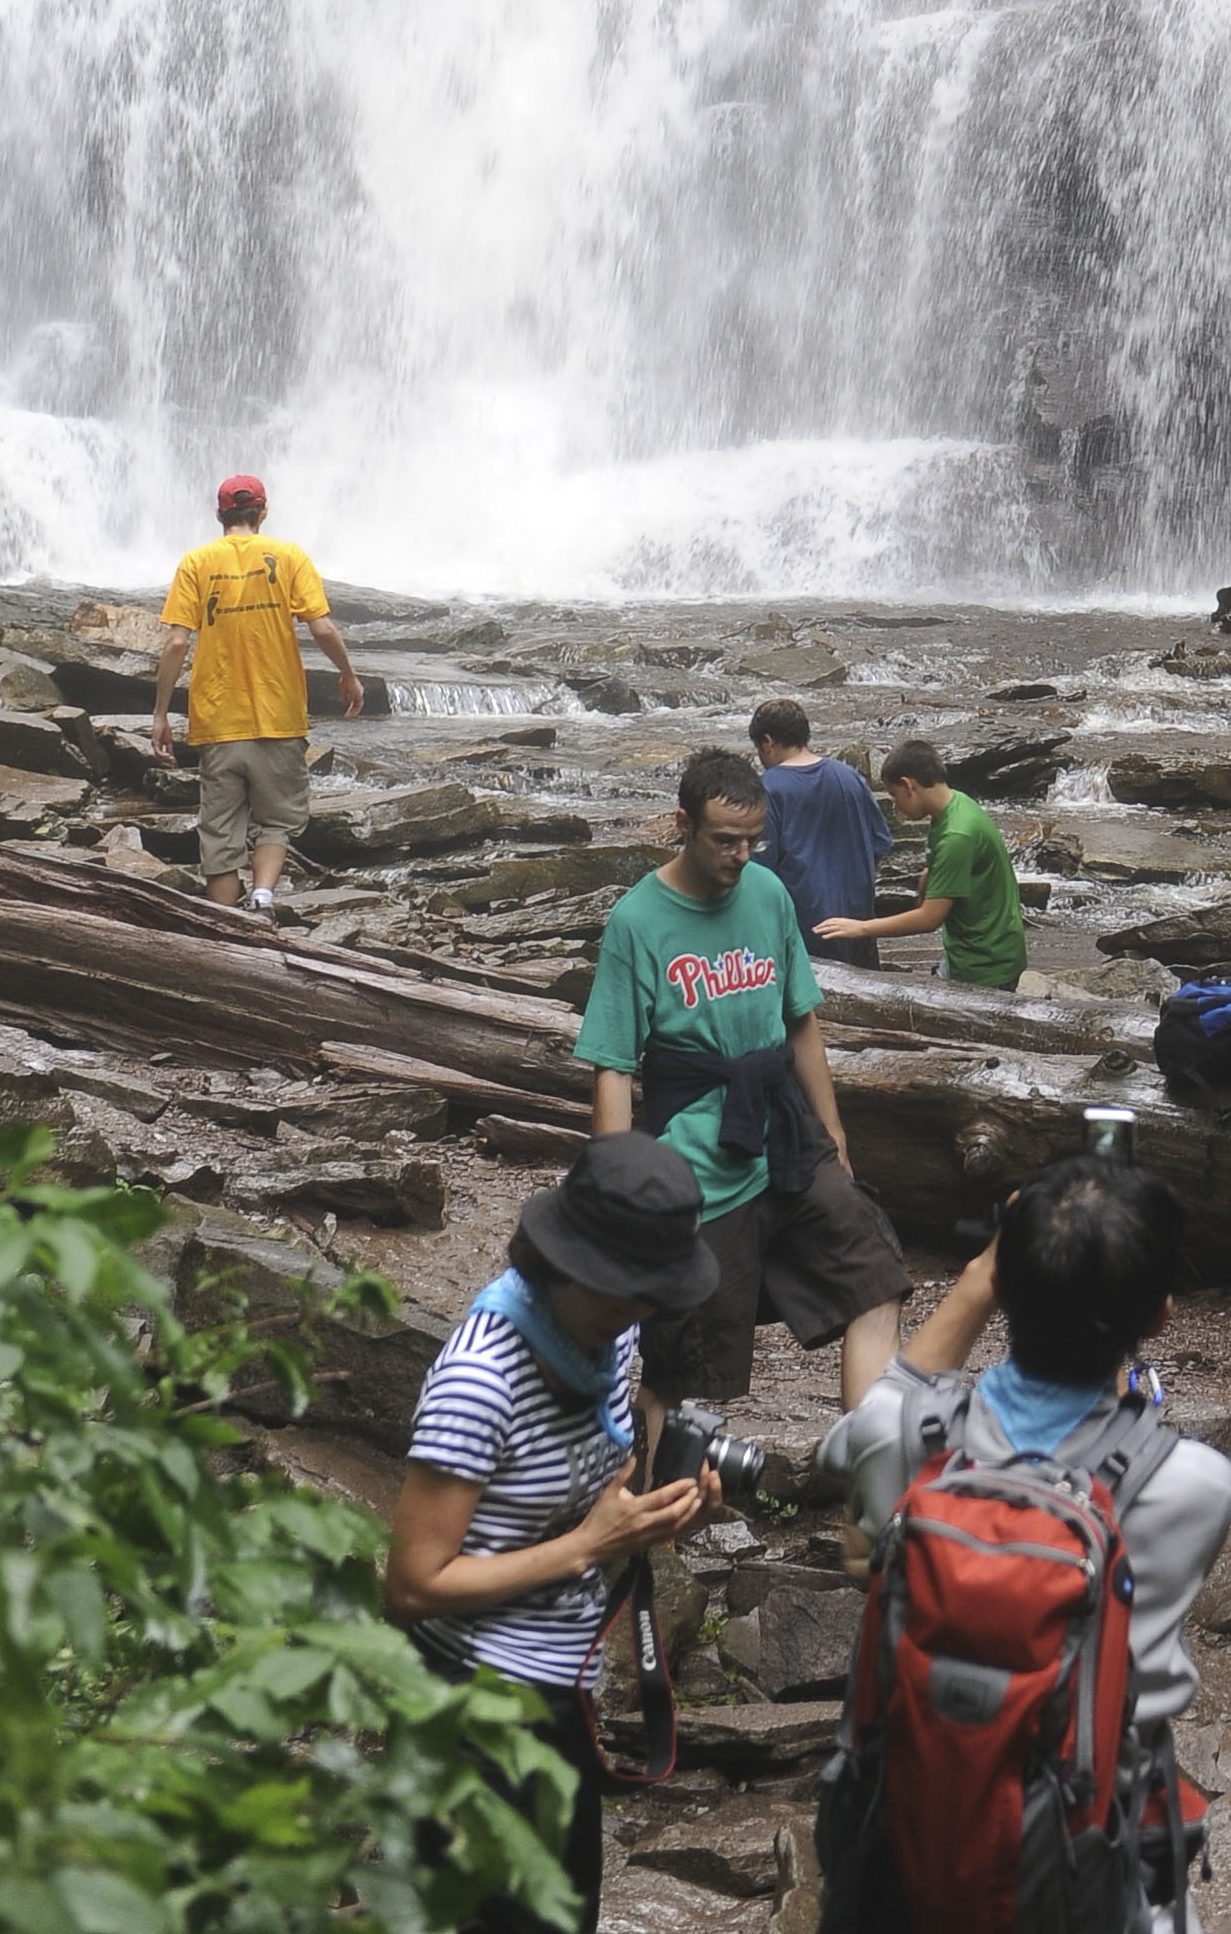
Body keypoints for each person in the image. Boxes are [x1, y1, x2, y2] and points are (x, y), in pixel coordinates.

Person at [385, 1135, 724, 1934]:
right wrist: (587, 1548)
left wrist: (657, 1516)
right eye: (630, 1293)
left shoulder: (607, 1339)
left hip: (558, 1687)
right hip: (473, 1700)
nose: (644, 1311)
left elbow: (587, 1504)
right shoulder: (482, 1381)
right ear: (570, 1266)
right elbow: (409, 1587)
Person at [818, 1151, 1231, 1731]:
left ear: (1001, 1285)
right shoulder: (1195, 1485)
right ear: (1159, 1318)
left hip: (916, 1793)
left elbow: (886, 1401)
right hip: (1086, 1805)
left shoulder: (897, 1434)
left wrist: (986, 1271)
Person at [577, 747, 909, 1420]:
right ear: (683, 824)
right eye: (725, 841)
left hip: (787, 1139)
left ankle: (870, 1486)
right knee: (681, 1363)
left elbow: (801, 1024)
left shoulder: (768, 893)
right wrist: (620, 1196)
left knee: (877, 1280)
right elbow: (612, 1065)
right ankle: (643, 1517)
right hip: (698, 1161)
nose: (741, 856)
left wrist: (835, 1134)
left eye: (753, 841)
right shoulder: (638, 922)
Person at [150, 467, 364, 910]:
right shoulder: (289, 557)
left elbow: (175, 641)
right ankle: (263, 898)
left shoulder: (196, 562)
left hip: (217, 718)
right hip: (278, 714)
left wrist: (161, 713)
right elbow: (322, 628)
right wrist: (348, 673)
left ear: (219, 514)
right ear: (262, 512)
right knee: (277, 820)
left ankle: (224, 923)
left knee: (219, 831)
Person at [811, 737, 1026, 993]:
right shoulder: (954, 805)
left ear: (908, 785)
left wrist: (860, 928)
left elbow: (929, 919)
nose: (894, 805)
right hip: (976, 949)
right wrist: (929, 872)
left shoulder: (957, 835)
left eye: (893, 795)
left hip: (985, 966)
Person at [749, 701, 894, 977]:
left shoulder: (768, 788)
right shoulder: (849, 778)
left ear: (767, 742)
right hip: (857, 922)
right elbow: (879, 845)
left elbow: (759, 872)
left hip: (804, 929)